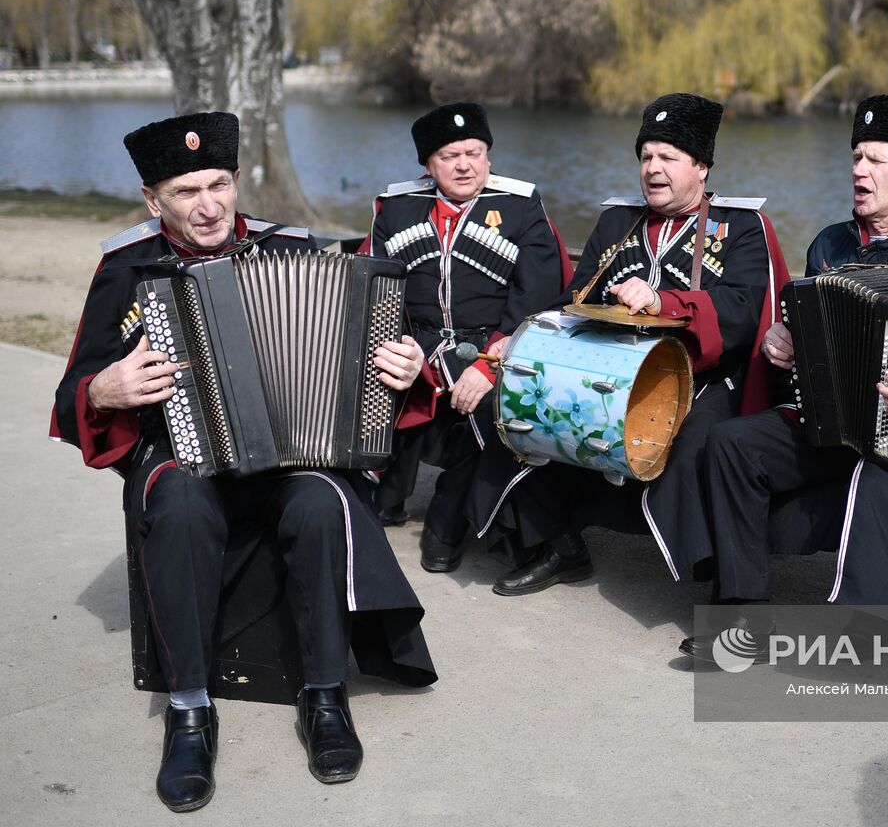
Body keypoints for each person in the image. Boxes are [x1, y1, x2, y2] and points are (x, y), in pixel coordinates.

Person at [50, 112, 439, 812]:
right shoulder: (126, 269)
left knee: (323, 501)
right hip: (180, 455)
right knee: (180, 502)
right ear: (152, 200)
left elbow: (370, 356)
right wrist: (104, 388)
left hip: (292, 452)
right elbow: (72, 395)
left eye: (219, 185)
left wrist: (406, 366)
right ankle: (190, 711)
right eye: (185, 191)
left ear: (236, 181)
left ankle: (325, 697)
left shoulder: (291, 248)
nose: (207, 206)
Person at [682, 95, 888, 661]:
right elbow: (810, 326)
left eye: (875, 160)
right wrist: (783, 341)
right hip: (833, 421)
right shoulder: (830, 245)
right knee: (730, 445)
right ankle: (740, 618)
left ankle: (879, 635)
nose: (858, 170)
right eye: (856, 157)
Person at [461, 92, 789, 595]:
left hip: (702, 376)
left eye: (668, 158)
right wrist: (524, 346)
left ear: (701, 167)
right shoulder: (618, 221)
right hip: (607, 370)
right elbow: (574, 299)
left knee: (707, 441)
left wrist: (665, 301)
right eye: (646, 157)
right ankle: (558, 544)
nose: (652, 169)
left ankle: (721, 580)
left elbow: (743, 314)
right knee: (518, 406)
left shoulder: (744, 226)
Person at [361, 102, 570, 572]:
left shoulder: (520, 207)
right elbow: (372, 289)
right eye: (449, 156)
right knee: (365, 381)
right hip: (414, 347)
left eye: (473, 152)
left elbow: (536, 301)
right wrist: (397, 348)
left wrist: (490, 364)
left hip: (491, 348)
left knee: (484, 414)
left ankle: (445, 524)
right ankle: (379, 490)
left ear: (488, 155)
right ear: (428, 166)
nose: (464, 165)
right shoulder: (395, 209)